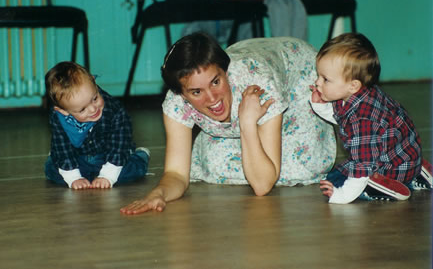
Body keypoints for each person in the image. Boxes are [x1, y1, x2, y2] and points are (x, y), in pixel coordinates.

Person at [121, 32, 336, 214]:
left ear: (225, 71)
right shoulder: (175, 103)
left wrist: (247, 123)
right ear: (182, 95)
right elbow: (176, 174)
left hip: (296, 74)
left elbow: (262, 186)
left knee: (302, 165)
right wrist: (158, 194)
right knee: (213, 163)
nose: (212, 98)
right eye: (197, 92)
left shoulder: (259, 85)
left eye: (216, 82)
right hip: (255, 55)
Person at [309, 33, 432, 204]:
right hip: (404, 156)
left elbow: (362, 166)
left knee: (335, 180)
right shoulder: (360, 94)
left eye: (325, 79)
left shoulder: (363, 120)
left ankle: (389, 187)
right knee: (341, 172)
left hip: (391, 168)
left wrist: (341, 196)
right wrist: (320, 105)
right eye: (319, 76)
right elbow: (343, 120)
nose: (317, 82)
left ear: (353, 85)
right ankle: (416, 170)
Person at [44, 61, 150, 190]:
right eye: (82, 110)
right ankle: (59, 160)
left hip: (108, 154)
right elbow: (63, 145)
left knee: (131, 171)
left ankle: (140, 155)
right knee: (53, 172)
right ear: (63, 110)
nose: (93, 109)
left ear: (94, 82)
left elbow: (119, 144)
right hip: (77, 157)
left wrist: (108, 175)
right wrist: (73, 177)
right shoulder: (58, 117)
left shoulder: (114, 109)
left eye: (95, 98)